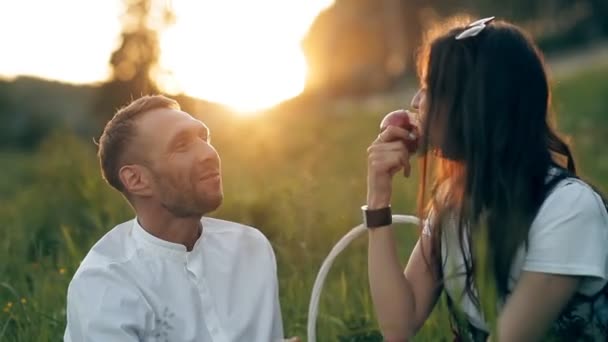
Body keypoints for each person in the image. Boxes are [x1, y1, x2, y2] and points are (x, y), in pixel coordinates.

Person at [364, 16, 608, 341]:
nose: (416, 102)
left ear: (478, 105)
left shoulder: (567, 209)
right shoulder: (452, 204)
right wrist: (378, 199)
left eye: (432, 88)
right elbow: (399, 325)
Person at [64, 95, 292, 341]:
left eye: (204, 137)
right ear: (137, 180)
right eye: (181, 145)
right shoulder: (104, 285)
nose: (208, 153)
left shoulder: (251, 248)